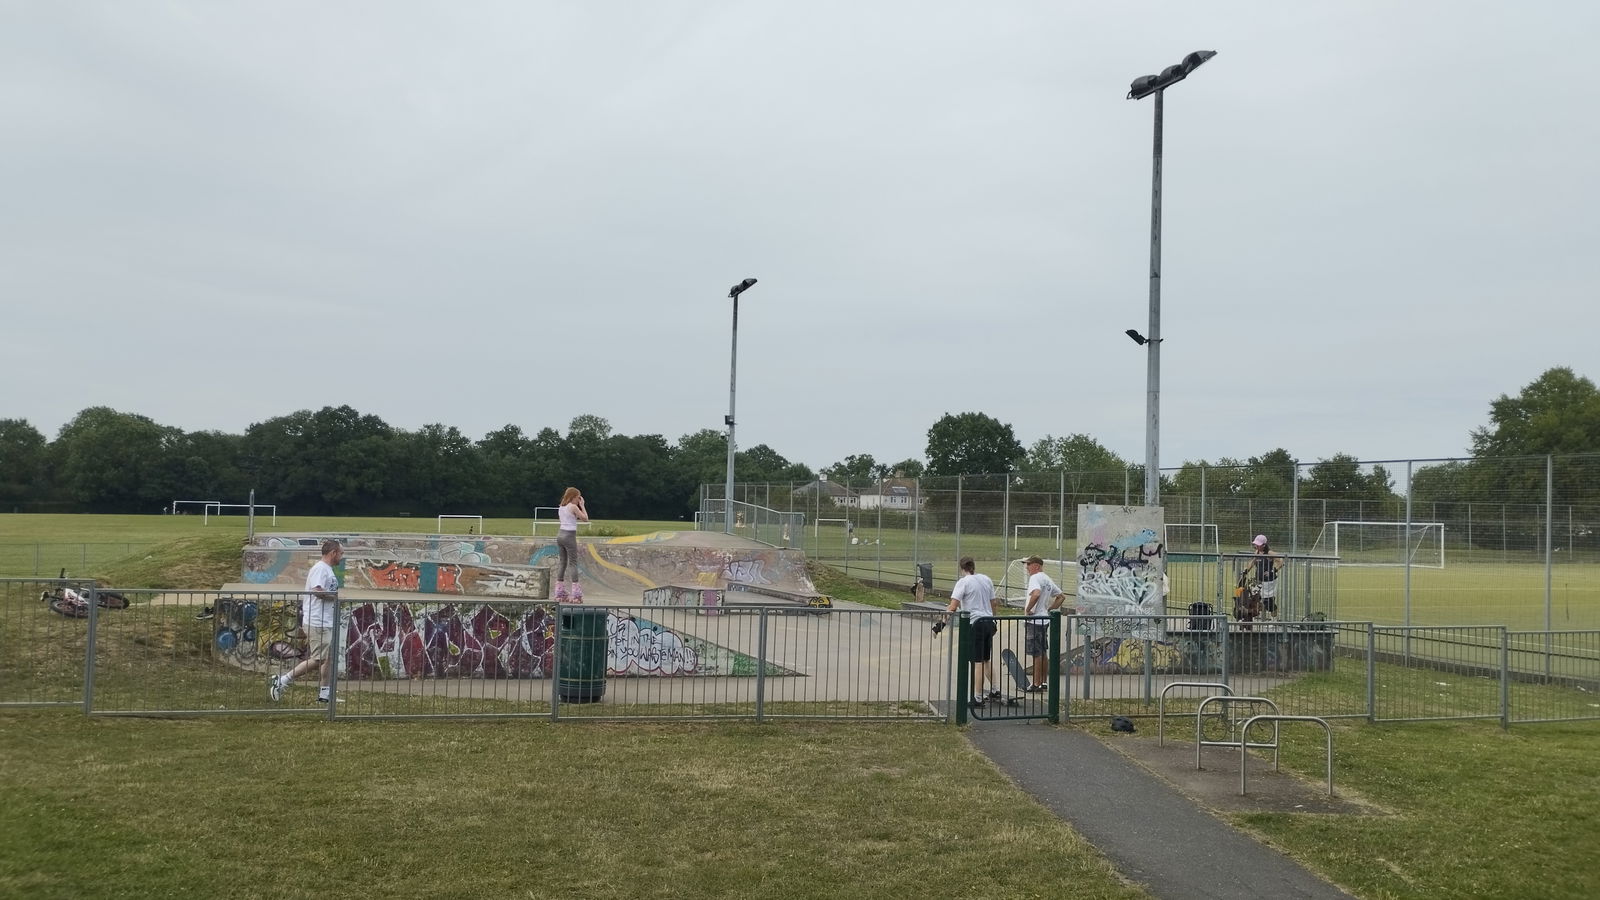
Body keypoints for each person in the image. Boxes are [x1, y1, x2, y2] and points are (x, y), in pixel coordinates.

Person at [270, 539, 342, 703]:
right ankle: (282, 681)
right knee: (318, 659)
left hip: (325, 621)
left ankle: (325, 695)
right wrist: (336, 597)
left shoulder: (327, 569)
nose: (342, 556)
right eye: (341, 553)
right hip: (317, 621)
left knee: (327, 659)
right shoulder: (320, 569)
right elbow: (317, 591)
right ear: (333, 553)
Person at [945, 556, 998, 707]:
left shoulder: (963, 582)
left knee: (977, 662)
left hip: (975, 623)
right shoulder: (986, 579)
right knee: (986, 658)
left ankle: (978, 697)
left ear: (962, 568)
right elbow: (993, 602)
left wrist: (942, 622)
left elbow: (953, 605)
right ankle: (995, 690)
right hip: (988, 621)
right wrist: (994, 619)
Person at [1022, 556, 1065, 692]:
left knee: (1036, 653)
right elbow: (1061, 596)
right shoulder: (1047, 579)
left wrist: (1028, 609)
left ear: (1037, 566)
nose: (1027, 567)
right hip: (1044, 619)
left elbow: (1036, 593)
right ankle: (1044, 682)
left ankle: (1036, 683)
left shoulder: (1035, 578)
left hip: (1034, 620)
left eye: (1029, 564)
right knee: (1043, 651)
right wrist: (1049, 609)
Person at [554, 487, 589, 601]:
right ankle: (576, 593)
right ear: (573, 497)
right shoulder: (573, 507)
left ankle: (559, 591)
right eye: (578, 498)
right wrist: (582, 506)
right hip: (569, 536)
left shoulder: (561, 507)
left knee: (562, 563)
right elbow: (585, 519)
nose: (579, 500)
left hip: (560, 534)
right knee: (573, 563)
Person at [1245, 534, 1283, 619]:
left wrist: (1273, 571)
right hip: (1258, 580)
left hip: (1269, 581)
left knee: (1268, 602)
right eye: (1256, 544)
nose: (1256, 546)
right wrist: (1246, 571)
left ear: (1264, 545)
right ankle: (1259, 615)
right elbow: (1252, 562)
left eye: (1258, 545)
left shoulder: (1269, 553)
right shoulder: (1257, 552)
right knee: (1254, 598)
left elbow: (1281, 561)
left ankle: (1274, 617)